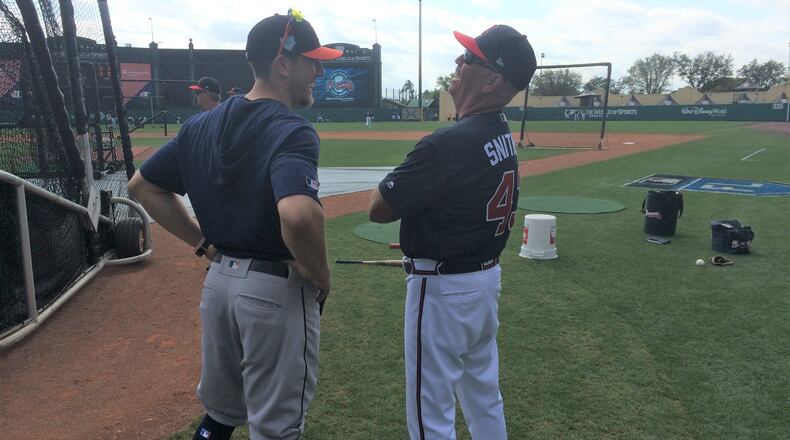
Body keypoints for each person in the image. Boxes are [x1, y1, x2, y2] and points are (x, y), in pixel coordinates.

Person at [128, 10, 341, 440]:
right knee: (275, 428)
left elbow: (142, 187)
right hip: (272, 292)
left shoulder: (200, 125)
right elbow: (298, 215)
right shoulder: (291, 130)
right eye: (312, 61)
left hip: (219, 285)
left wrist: (203, 243)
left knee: (221, 416)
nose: (319, 69)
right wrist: (320, 274)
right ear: (282, 63)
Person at [368, 24, 537, 440]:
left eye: (471, 59)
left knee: (431, 413)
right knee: (483, 396)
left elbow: (379, 209)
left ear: (493, 81)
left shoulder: (449, 142)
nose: (459, 62)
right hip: (482, 282)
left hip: (442, 290)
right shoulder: (500, 132)